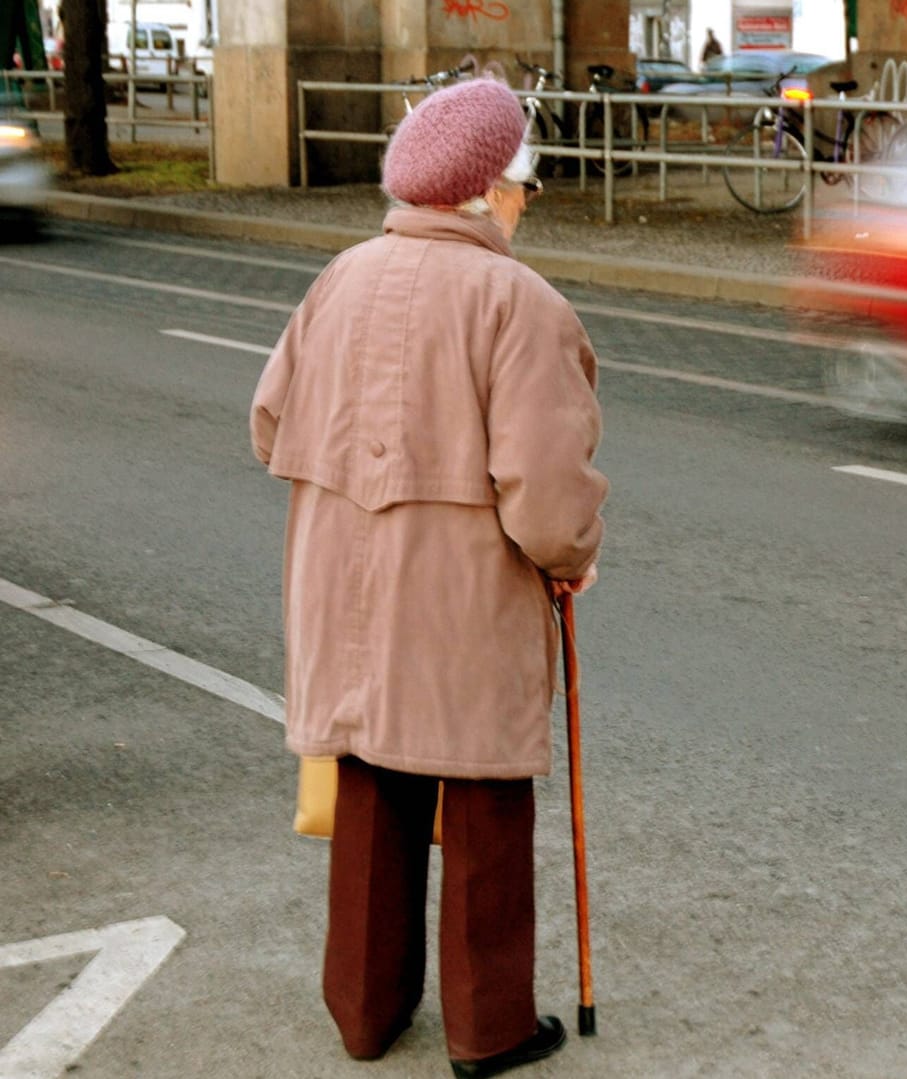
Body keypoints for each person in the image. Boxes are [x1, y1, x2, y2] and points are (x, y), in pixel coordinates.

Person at [249, 76, 608, 1079]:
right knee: (486, 793)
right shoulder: (518, 303)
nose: (524, 203)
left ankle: (364, 1008)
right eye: (523, 186)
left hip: (344, 587)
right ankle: (487, 1026)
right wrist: (572, 559)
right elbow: (544, 492)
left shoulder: (342, 277)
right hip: (461, 595)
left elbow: (267, 422)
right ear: (490, 189)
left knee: (369, 778)